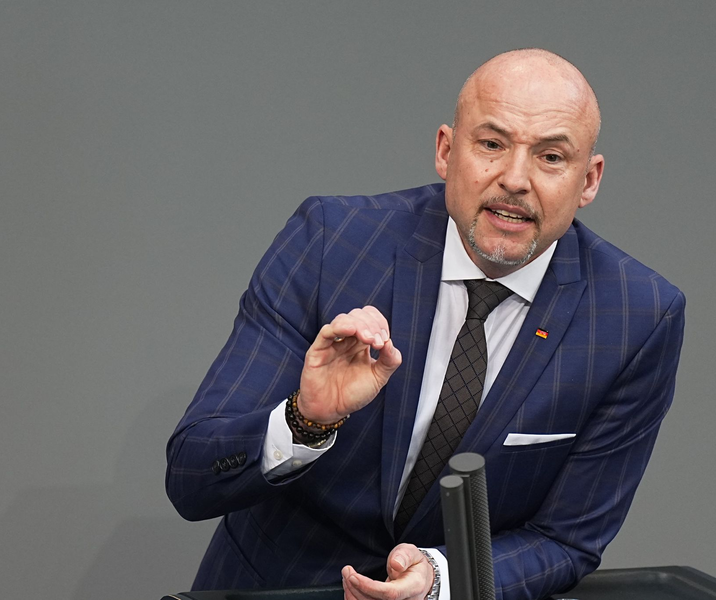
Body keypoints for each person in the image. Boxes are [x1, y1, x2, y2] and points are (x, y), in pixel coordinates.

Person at [166, 48, 685, 600]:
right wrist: (305, 419)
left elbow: (567, 540)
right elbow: (192, 477)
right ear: (445, 150)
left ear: (589, 180)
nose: (514, 179)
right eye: (491, 144)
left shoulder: (637, 317)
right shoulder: (332, 244)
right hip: (277, 586)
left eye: (551, 157)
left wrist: (440, 580)